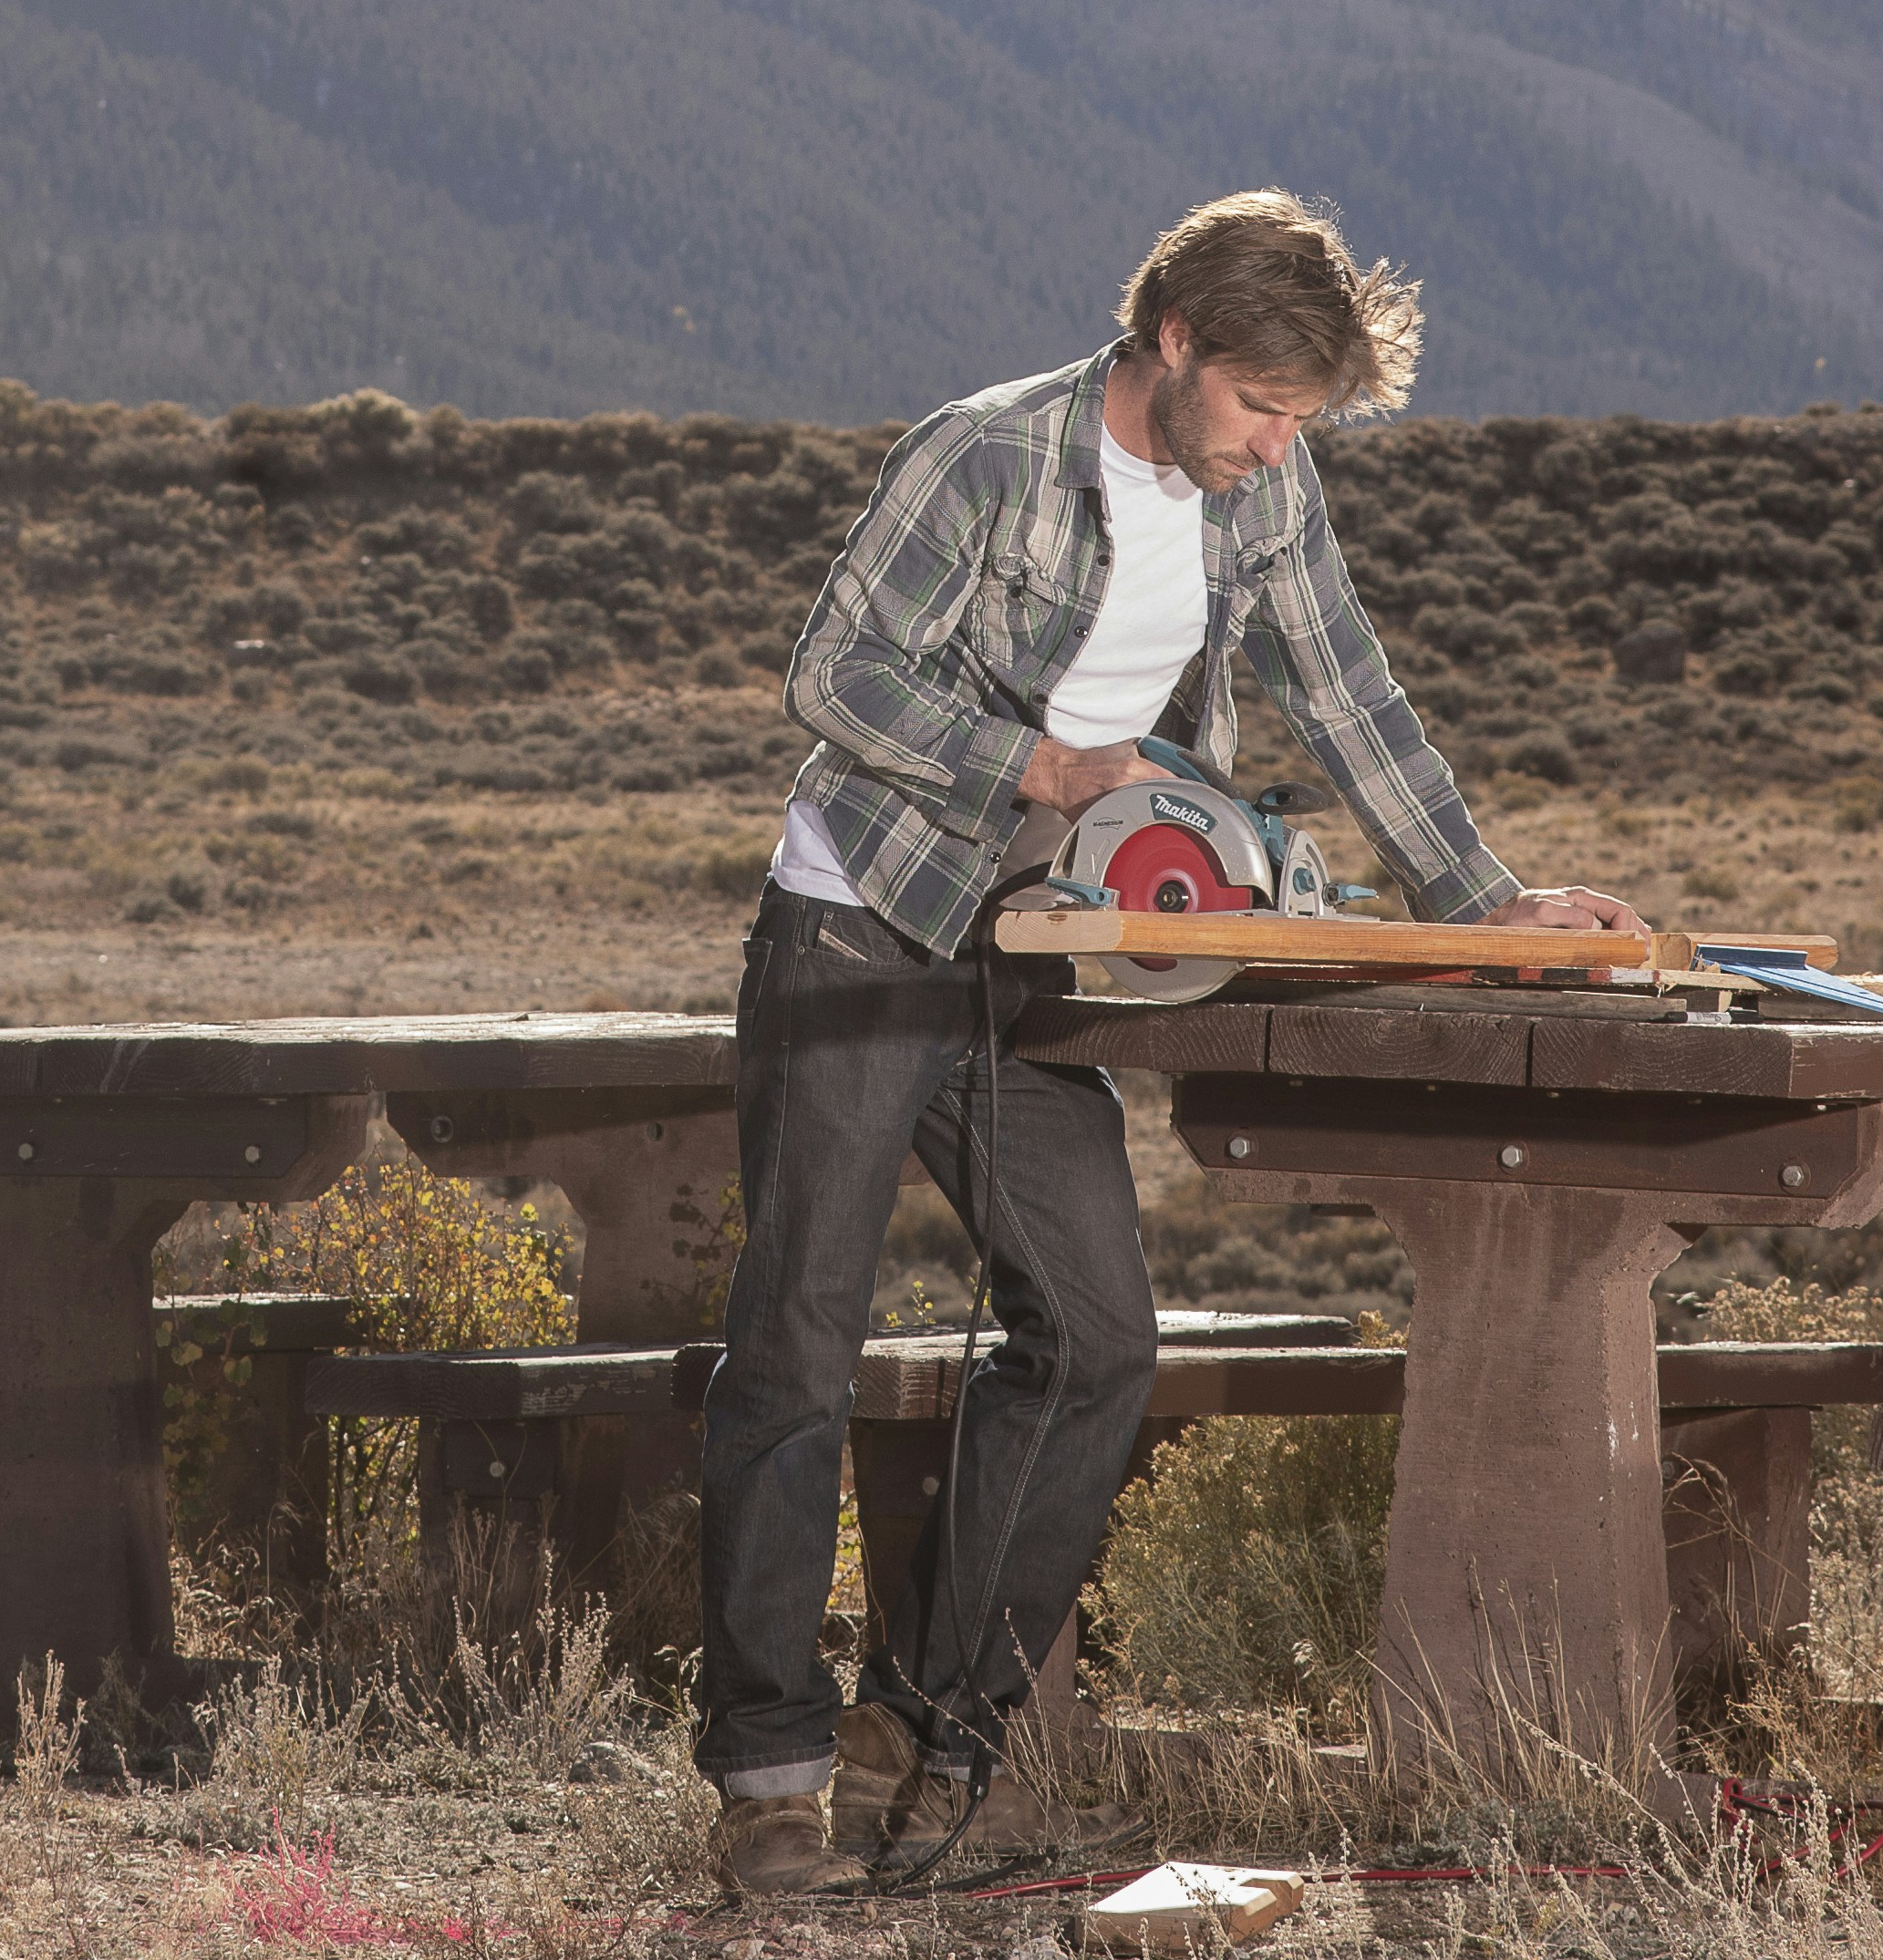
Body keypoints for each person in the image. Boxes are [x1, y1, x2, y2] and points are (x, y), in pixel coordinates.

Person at [693, 191, 1643, 1899]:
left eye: (1308, 423)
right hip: (862, 922)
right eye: (1268, 410)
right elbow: (834, 676)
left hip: (1039, 958)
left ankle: (916, 1736)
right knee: (798, 1343)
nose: (1284, 453)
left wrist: (1491, 906)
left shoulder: (1260, 494)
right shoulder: (982, 456)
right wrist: (1042, 770)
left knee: (1099, 1338)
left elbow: (1349, 687)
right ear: (1178, 342)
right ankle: (767, 1778)